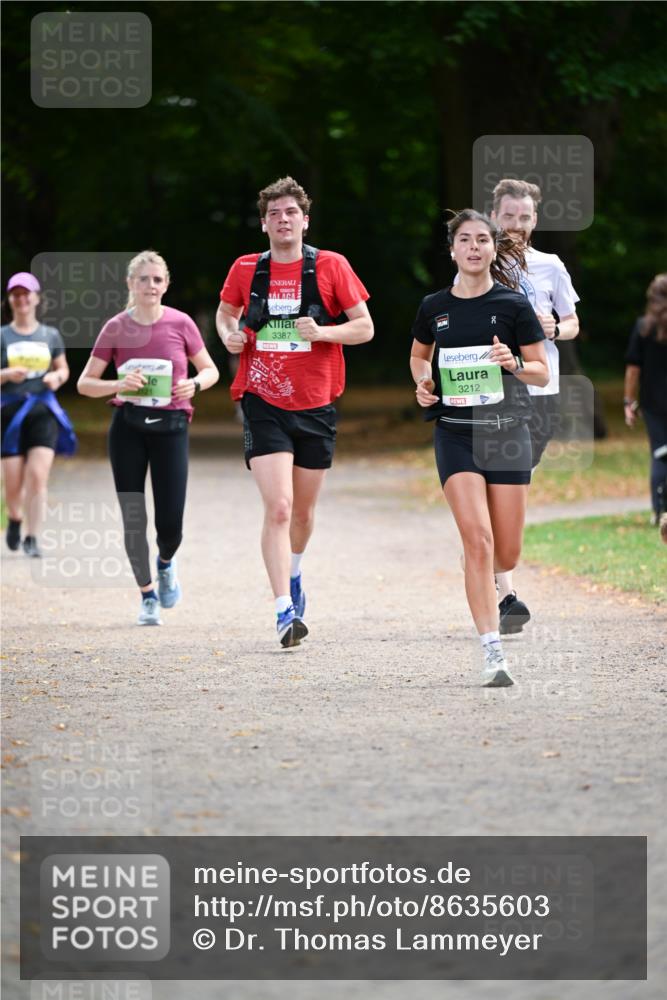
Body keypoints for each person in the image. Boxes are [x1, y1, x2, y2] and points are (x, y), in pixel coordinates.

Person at [216, 176, 373, 647]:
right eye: (274, 214)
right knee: (279, 507)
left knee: (303, 513)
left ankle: (295, 572)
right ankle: (284, 610)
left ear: (305, 219)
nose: (283, 220)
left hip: (317, 402)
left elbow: (364, 328)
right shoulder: (246, 268)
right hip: (262, 399)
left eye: (291, 213)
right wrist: (227, 332)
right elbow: (226, 313)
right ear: (264, 223)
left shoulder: (331, 266)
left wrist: (323, 333)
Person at [410, 209, 548, 687]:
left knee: (505, 554)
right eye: (464, 240)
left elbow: (541, 372)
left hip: (508, 433)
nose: (473, 248)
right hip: (455, 433)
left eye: (482, 241)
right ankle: (492, 653)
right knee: (478, 540)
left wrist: (513, 363)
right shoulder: (434, 307)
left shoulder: (512, 305)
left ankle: (485, 568)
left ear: (493, 248)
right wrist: (424, 384)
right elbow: (418, 354)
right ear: (452, 249)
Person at [78, 250, 219, 625]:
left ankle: (166, 563)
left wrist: (194, 383)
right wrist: (118, 383)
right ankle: (147, 595)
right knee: (133, 517)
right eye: (143, 279)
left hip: (171, 428)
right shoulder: (115, 328)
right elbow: (84, 384)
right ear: (130, 284)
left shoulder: (181, 323)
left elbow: (210, 370)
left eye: (157, 280)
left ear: (166, 285)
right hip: (127, 428)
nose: (151, 286)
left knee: (170, 522)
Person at [485, 179, 580, 633]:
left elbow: (574, 320)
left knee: (517, 486)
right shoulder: (478, 261)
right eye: (509, 217)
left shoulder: (551, 266)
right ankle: (504, 595)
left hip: (542, 391)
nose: (517, 226)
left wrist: (556, 328)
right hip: (494, 390)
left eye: (524, 218)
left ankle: (490, 564)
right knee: (498, 485)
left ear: (535, 220)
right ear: (495, 216)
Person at [1, 271, 76, 557]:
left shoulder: (50, 335)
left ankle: (32, 537)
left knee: (36, 477)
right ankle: (15, 518)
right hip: (8, 412)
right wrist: (6, 374)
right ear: (10, 300)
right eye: (15, 294)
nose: (21, 299)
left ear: (36, 298)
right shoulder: (2, 336)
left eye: (26, 293)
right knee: (12, 481)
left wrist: (57, 378)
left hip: (43, 411)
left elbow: (63, 368)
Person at [623, 273, 667, 542]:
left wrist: (629, 401)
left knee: (660, 454)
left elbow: (632, 370)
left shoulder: (643, 328)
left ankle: (659, 510)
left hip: (652, 402)